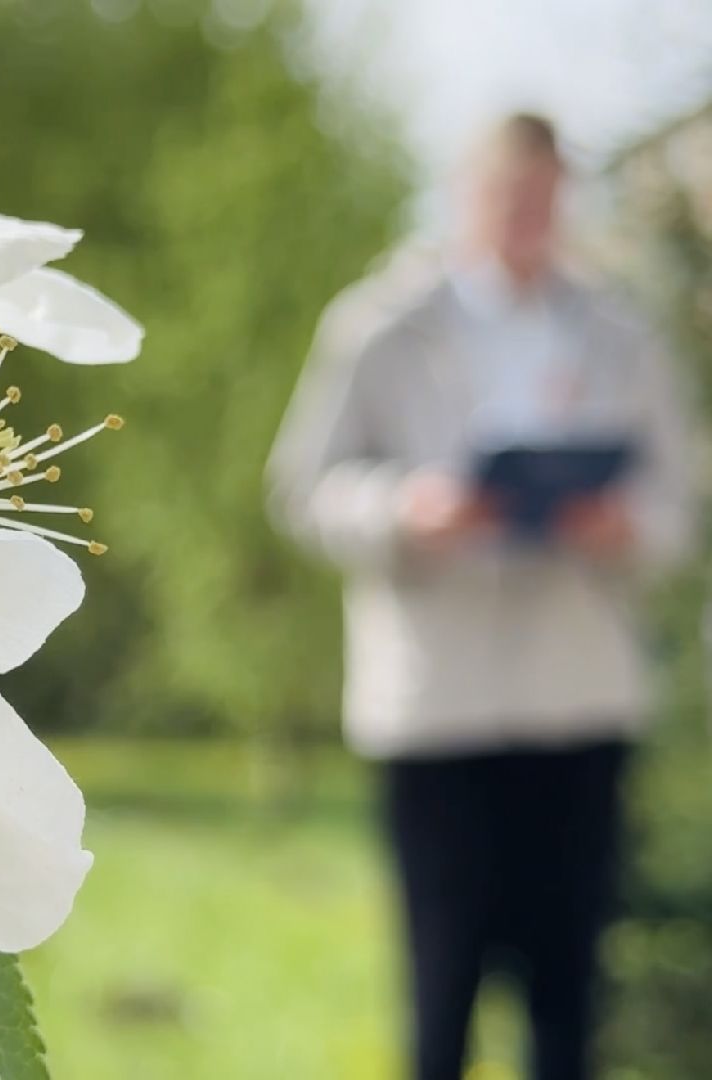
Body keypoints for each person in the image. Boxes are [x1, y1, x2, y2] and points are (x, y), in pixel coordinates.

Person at [266, 114, 698, 1080]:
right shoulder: (380, 326)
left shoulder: (621, 334)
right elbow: (304, 490)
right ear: (467, 195)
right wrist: (404, 513)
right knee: (442, 987)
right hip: (437, 709)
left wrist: (624, 524)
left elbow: (677, 504)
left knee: (567, 994)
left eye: (545, 198)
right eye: (509, 196)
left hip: (580, 701)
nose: (526, 218)